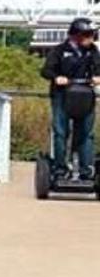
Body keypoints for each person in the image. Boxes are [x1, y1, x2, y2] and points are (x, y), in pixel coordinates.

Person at [40, 17, 99, 182]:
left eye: (92, 35)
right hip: (62, 96)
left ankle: (86, 170)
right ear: (76, 35)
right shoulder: (60, 51)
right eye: (88, 35)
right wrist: (57, 77)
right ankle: (60, 169)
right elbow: (45, 71)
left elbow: (98, 67)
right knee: (60, 133)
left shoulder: (92, 51)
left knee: (86, 134)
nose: (91, 38)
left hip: (85, 96)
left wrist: (97, 77)